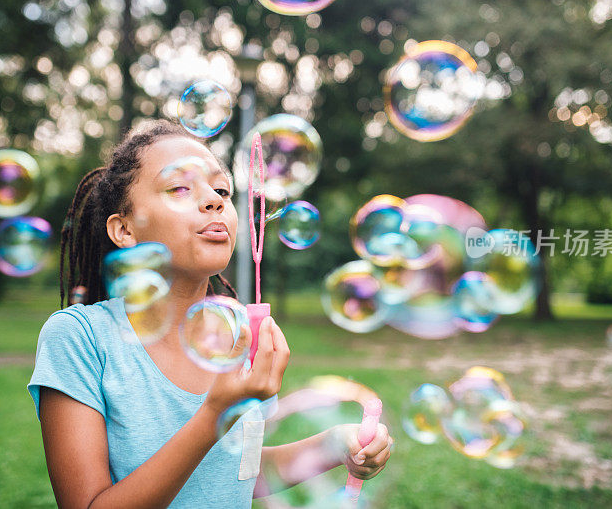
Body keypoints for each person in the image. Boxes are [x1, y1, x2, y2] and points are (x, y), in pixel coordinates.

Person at [28, 119, 392, 508]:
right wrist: (215, 413)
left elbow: (235, 473)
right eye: (180, 188)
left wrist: (332, 446)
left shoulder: (240, 336)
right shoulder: (81, 338)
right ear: (125, 229)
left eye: (221, 189)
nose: (215, 200)